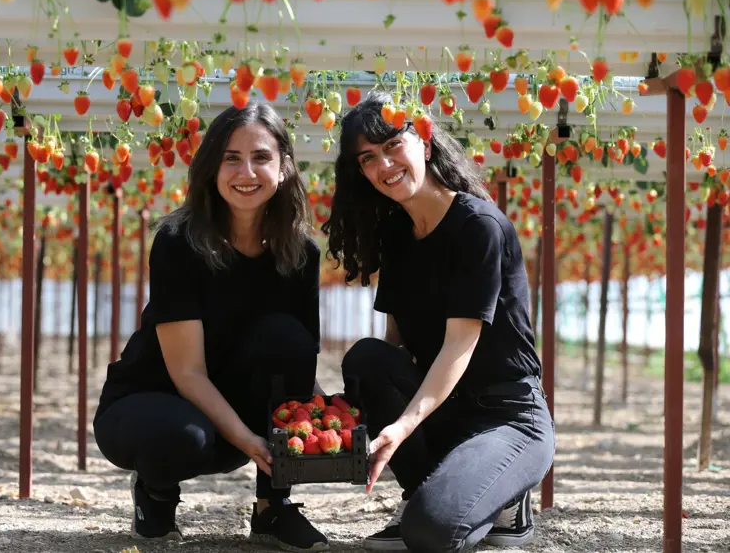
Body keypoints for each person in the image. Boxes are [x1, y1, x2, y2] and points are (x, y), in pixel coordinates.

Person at [323, 91, 556, 553]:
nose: (384, 165)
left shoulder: (478, 227)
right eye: (368, 159)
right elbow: (395, 347)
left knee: (431, 533)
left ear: (425, 143)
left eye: (393, 145)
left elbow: (458, 346)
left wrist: (403, 426)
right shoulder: (396, 236)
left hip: (507, 417)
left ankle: (504, 497)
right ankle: (426, 492)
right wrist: (345, 412)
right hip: (448, 412)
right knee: (367, 359)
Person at [93, 102, 329, 552]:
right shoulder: (178, 243)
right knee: (185, 438)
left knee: (286, 336)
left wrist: (328, 416)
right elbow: (187, 373)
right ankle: (156, 494)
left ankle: (273, 507)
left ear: (283, 168)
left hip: (231, 413)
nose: (246, 172)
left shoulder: (300, 254)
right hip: (154, 401)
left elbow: (299, 359)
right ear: (211, 168)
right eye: (231, 158)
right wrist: (247, 440)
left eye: (261, 157)